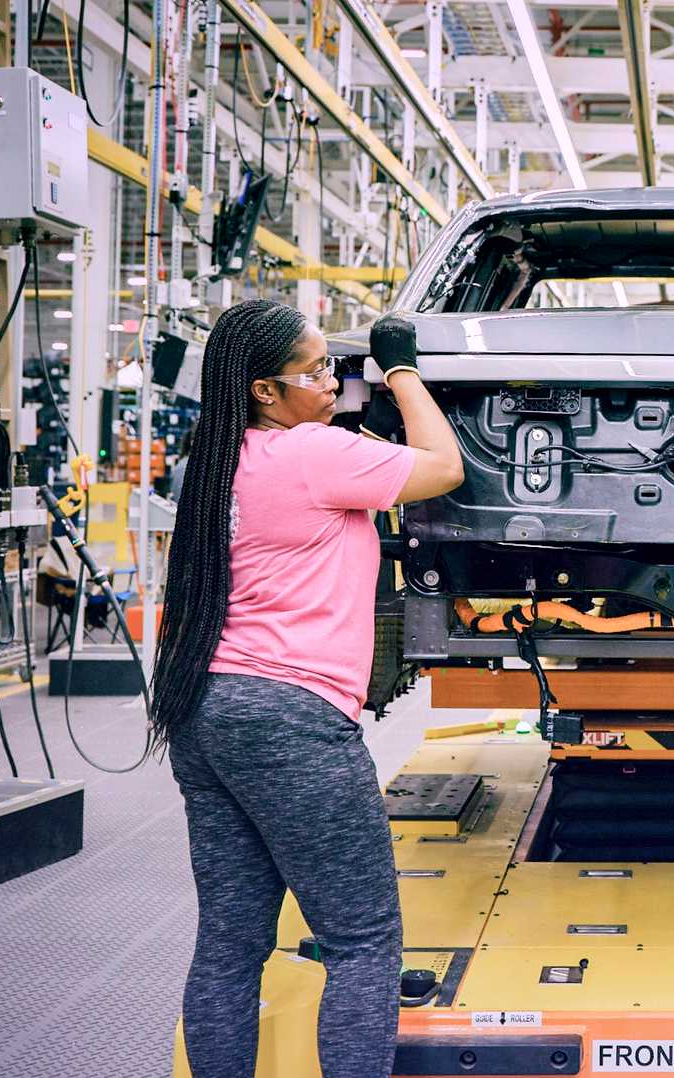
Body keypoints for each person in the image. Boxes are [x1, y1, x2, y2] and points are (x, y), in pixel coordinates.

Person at [149, 299, 464, 1078]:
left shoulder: (223, 461)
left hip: (209, 709)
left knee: (230, 942)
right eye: (316, 370)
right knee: (363, 941)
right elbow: (446, 467)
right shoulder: (314, 454)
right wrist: (401, 370)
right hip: (291, 718)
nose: (333, 379)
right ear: (264, 389)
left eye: (336, 364)